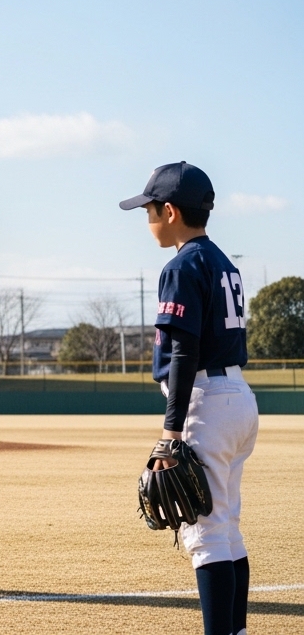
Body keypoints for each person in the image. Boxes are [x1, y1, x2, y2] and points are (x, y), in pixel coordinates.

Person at [120, 162, 256, 635]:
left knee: (206, 536)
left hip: (207, 401)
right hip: (236, 394)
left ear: (171, 211)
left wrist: (171, 430)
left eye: (150, 209)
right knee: (225, 529)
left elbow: (183, 349)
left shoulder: (181, 265)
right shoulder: (223, 261)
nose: (148, 218)